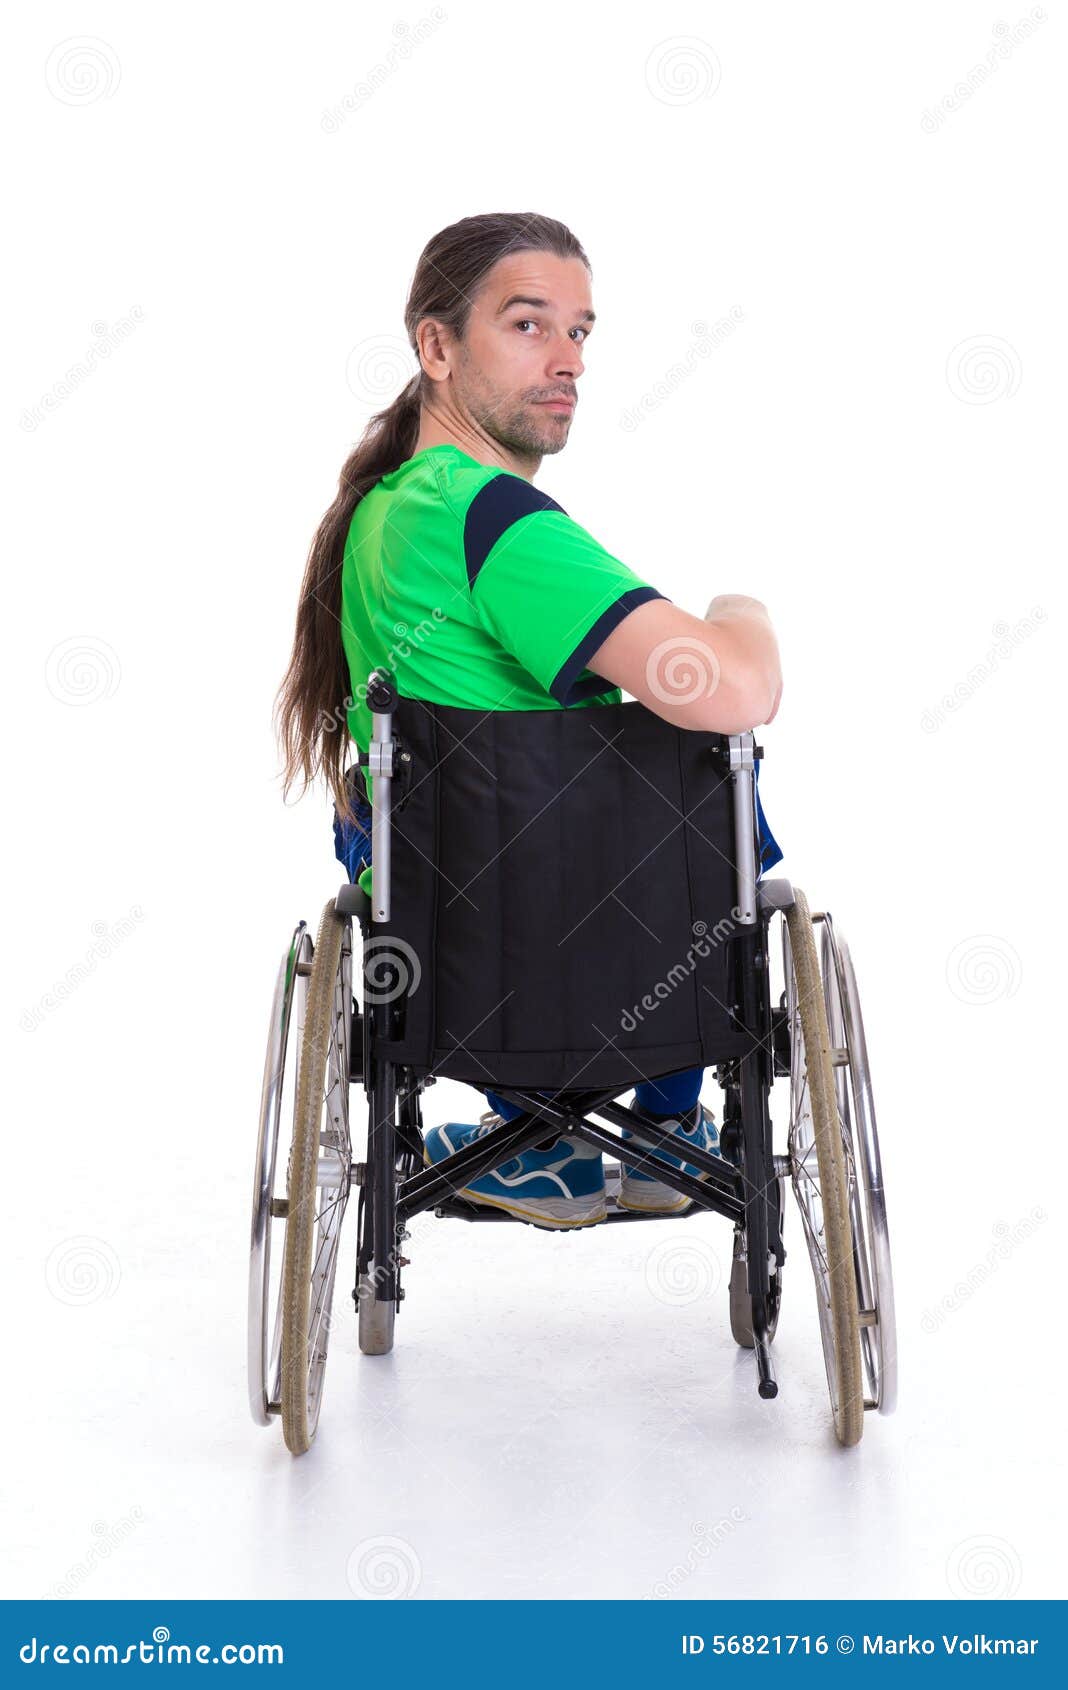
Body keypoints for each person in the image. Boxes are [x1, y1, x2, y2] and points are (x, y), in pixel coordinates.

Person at [276, 212, 783, 1230]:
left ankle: (532, 1135)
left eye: (582, 332)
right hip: (616, 950)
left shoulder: (380, 512)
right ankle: (666, 1126)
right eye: (527, 325)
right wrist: (744, 615)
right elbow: (732, 688)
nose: (567, 362)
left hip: (445, 960)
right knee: (699, 752)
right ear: (435, 346)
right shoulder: (492, 520)